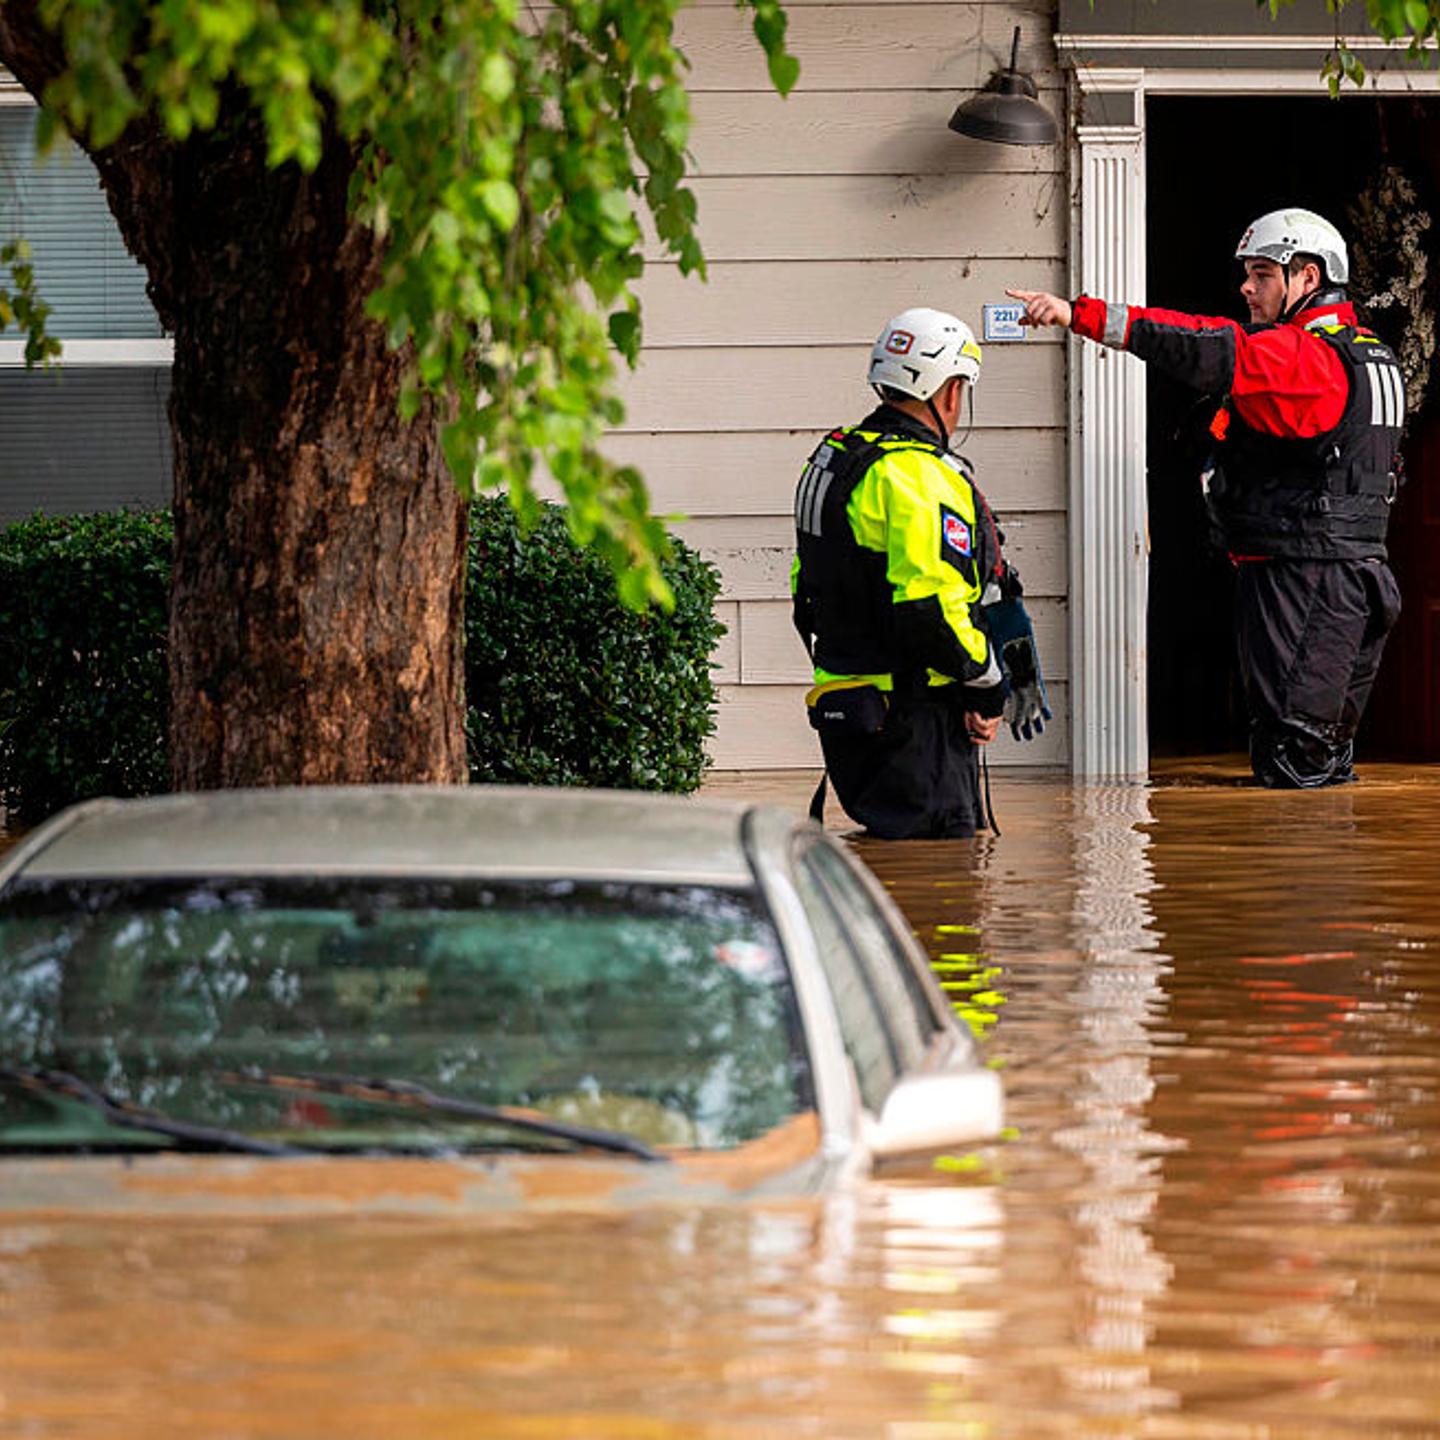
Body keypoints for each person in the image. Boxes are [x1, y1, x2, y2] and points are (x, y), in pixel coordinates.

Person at [1009, 207, 1404, 789]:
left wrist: (1080, 316)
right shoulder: (1374, 357)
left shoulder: (1302, 356)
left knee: (1292, 762)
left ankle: (1295, 875)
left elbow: (1200, 345)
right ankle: (1323, 868)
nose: (1247, 286)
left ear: (1309, 278)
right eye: (1247, 272)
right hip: (1358, 576)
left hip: (1307, 577)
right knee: (1322, 758)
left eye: (1264, 273)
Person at [791, 307, 1048, 839]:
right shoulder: (921, 477)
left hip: (849, 711)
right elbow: (931, 609)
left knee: (892, 879)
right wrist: (987, 687)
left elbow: (806, 581)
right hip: (913, 723)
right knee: (945, 896)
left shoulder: (834, 458)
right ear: (949, 391)